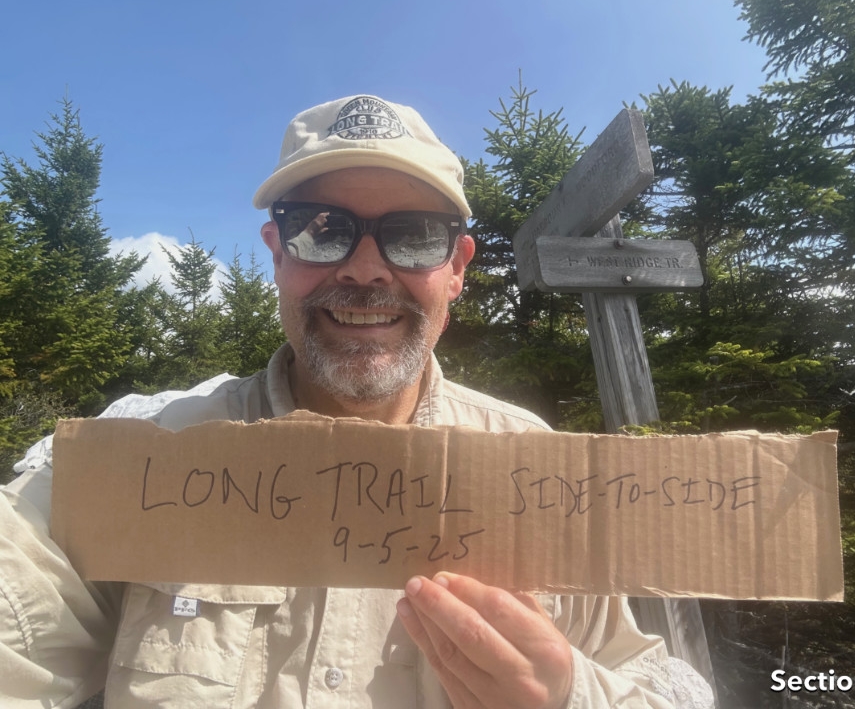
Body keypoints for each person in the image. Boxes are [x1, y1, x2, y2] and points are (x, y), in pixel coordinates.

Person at [0, 95, 713, 708]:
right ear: (277, 253)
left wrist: (570, 695)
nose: (366, 270)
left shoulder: (535, 470)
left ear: (456, 269)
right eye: (322, 229)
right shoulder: (144, 454)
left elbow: (667, 683)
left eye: (414, 235)